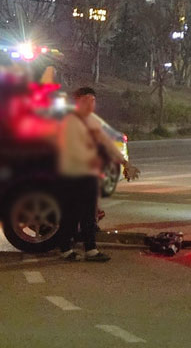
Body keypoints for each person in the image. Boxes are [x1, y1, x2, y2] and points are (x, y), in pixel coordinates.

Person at [57, 86, 137, 262]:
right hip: (73, 174)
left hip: (89, 175)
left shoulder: (92, 120)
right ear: (79, 101)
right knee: (72, 213)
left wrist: (125, 163)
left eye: (93, 100)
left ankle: (91, 249)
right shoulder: (71, 121)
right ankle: (65, 249)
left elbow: (107, 143)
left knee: (88, 214)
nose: (91, 103)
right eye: (87, 99)